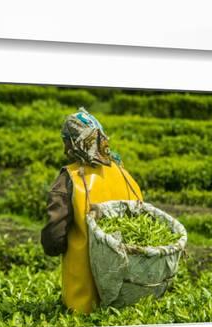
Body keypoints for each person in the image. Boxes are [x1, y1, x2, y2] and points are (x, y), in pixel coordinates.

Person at [41, 108, 143, 314]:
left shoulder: (70, 178)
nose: (64, 146)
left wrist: (52, 245)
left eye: (65, 139)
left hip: (84, 299)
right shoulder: (124, 174)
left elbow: (54, 237)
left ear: (74, 142)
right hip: (128, 294)